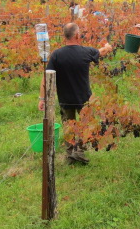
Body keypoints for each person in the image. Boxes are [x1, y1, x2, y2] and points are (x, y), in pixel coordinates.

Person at [38, 23, 112, 164]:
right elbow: (100, 52)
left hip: (65, 99)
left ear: (64, 36)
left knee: (68, 125)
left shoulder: (56, 55)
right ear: (77, 35)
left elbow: (45, 78)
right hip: (83, 98)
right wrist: (107, 47)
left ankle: (70, 153)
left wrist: (42, 98)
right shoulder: (85, 52)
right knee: (85, 124)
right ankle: (79, 151)